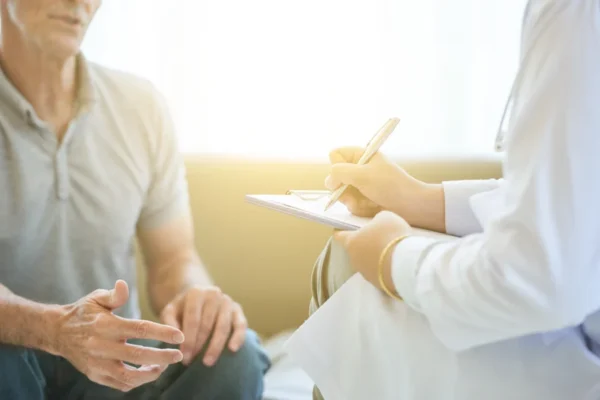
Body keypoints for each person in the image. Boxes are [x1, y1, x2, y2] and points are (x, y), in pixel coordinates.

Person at [310, 0, 600, 399]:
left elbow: (537, 280)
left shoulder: (574, 13)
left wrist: (392, 259)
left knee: (344, 272)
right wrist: (422, 200)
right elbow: (576, 197)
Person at [0, 0, 269, 399]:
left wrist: (197, 301)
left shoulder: (141, 107)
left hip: (114, 373)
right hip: (10, 364)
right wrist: (56, 331)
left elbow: (173, 262)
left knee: (235, 354)